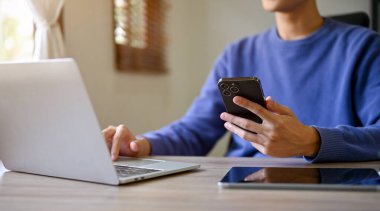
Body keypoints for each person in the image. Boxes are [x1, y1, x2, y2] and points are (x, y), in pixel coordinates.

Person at [102, 0, 380, 163]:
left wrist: (311, 141)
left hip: (332, 192)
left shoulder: (365, 48)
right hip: (244, 191)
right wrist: (140, 144)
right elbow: (194, 131)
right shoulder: (237, 54)